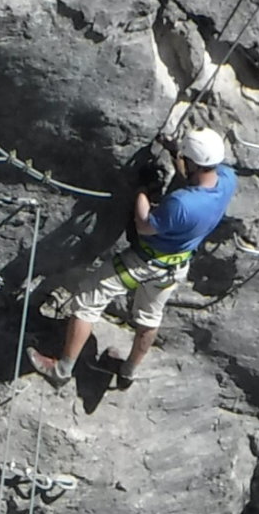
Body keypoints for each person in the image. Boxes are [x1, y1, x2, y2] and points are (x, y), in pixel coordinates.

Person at [28, 125, 236, 391]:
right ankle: (127, 372)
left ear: (193, 162)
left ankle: (61, 370)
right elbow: (195, 179)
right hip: (175, 267)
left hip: (143, 263)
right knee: (150, 317)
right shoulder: (228, 179)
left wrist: (142, 190)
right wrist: (176, 155)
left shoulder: (182, 203)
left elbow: (144, 225)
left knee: (88, 299)